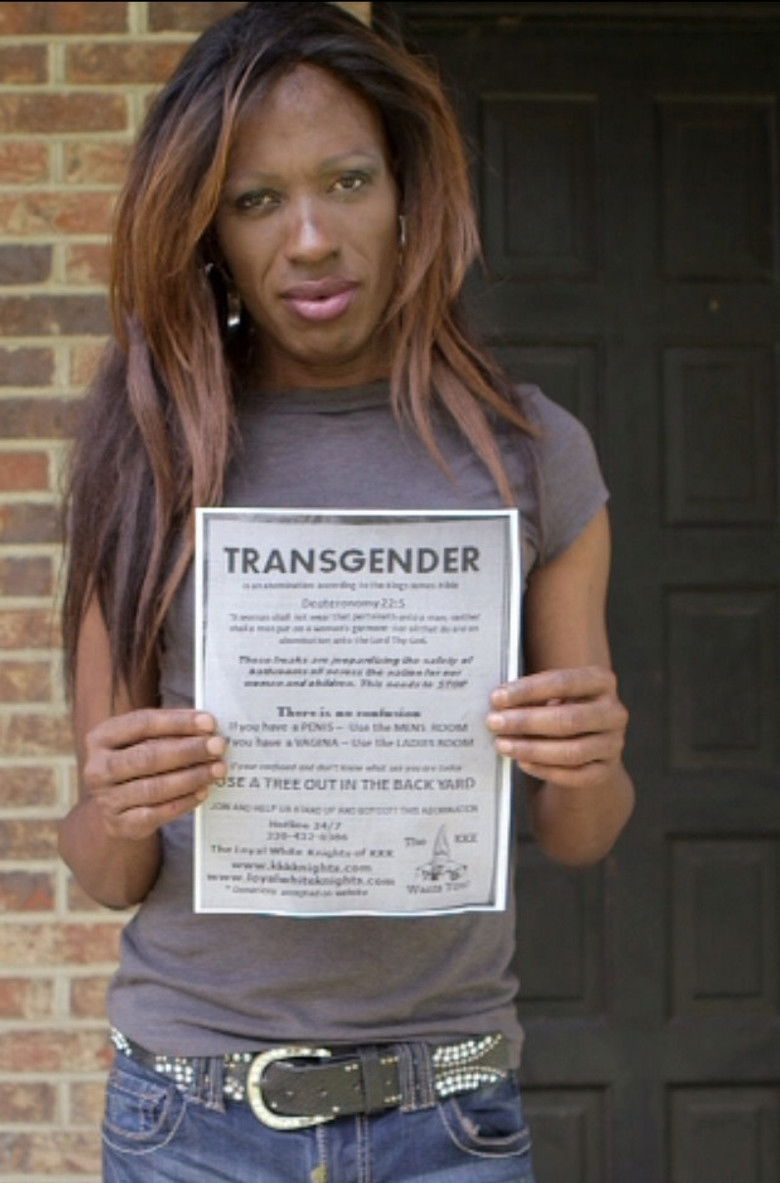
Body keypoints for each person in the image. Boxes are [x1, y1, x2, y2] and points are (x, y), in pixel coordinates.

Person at [58, 3, 634, 1180]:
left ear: (409, 192)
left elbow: (584, 831)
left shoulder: (533, 455)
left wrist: (592, 757)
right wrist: (117, 804)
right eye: (256, 200)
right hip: (194, 1115)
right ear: (209, 231)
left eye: (349, 181)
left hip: (450, 1114)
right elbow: (108, 871)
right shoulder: (149, 455)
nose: (311, 238)